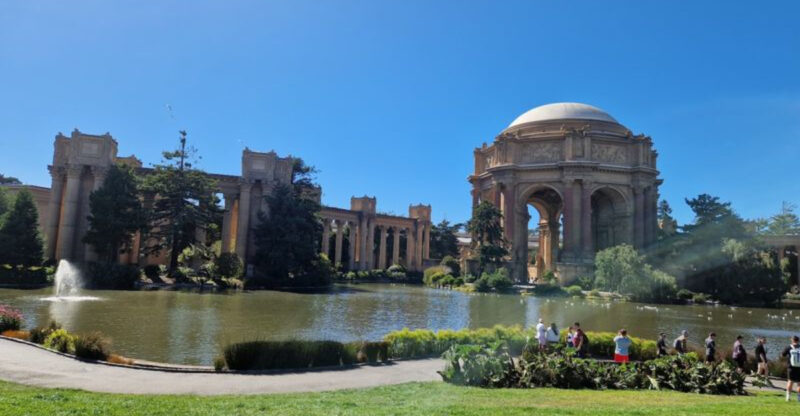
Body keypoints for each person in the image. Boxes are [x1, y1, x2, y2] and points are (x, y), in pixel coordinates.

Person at [781, 335, 800, 402]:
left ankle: (788, 397)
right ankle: (799, 398)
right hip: (799, 367)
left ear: (792, 340)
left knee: (790, 381)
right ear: (798, 340)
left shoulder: (788, 347)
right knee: (799, 383)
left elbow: (783, 355)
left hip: (791, 367)